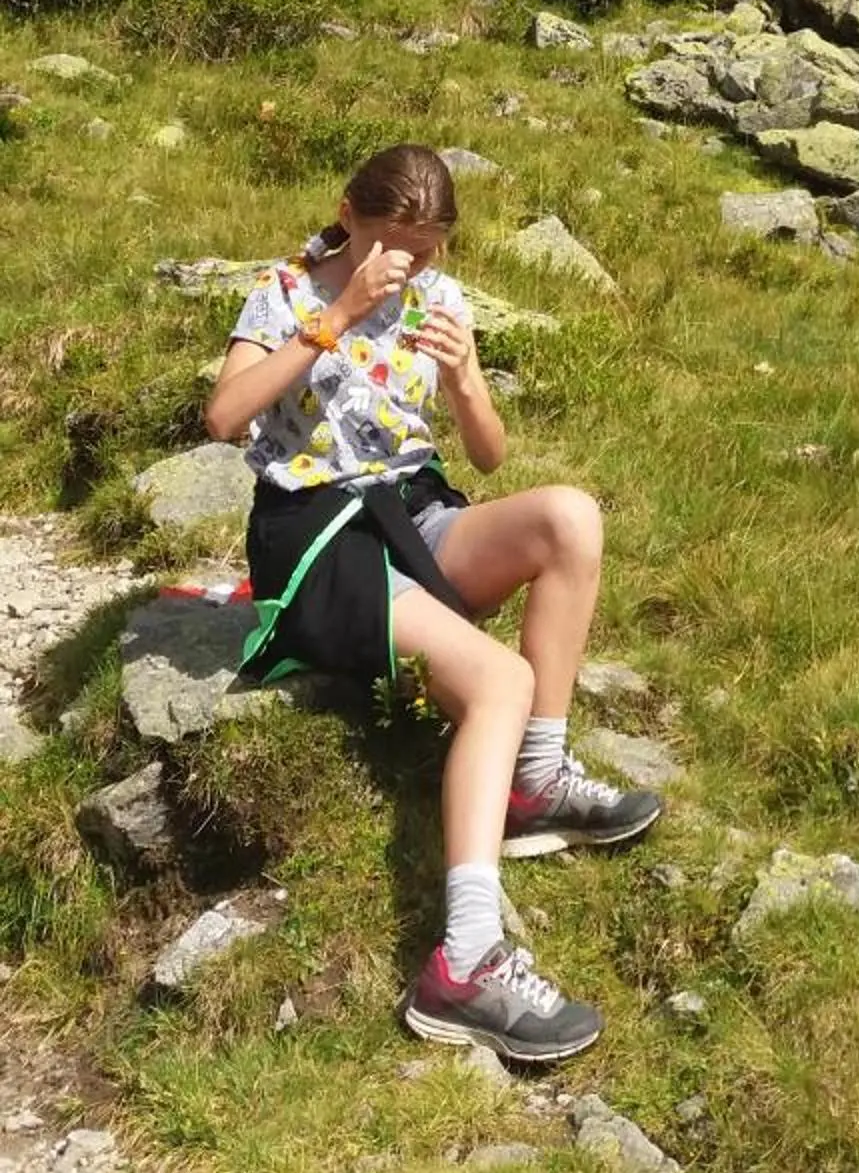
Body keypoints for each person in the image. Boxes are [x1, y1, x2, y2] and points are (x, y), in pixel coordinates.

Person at [204, 142, 660, 1064]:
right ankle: (464, 964)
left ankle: (535, 780)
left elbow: (487, 457)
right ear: (349, 214)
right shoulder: (287, 291)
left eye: (429, 248)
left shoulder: (442, 299)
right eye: (391, 244)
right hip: (314, 536)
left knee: (570, 518)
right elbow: (223, 418)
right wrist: (336, 316)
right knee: (499, 678)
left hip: (413, 510)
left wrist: (463, 380)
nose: (411, 265)